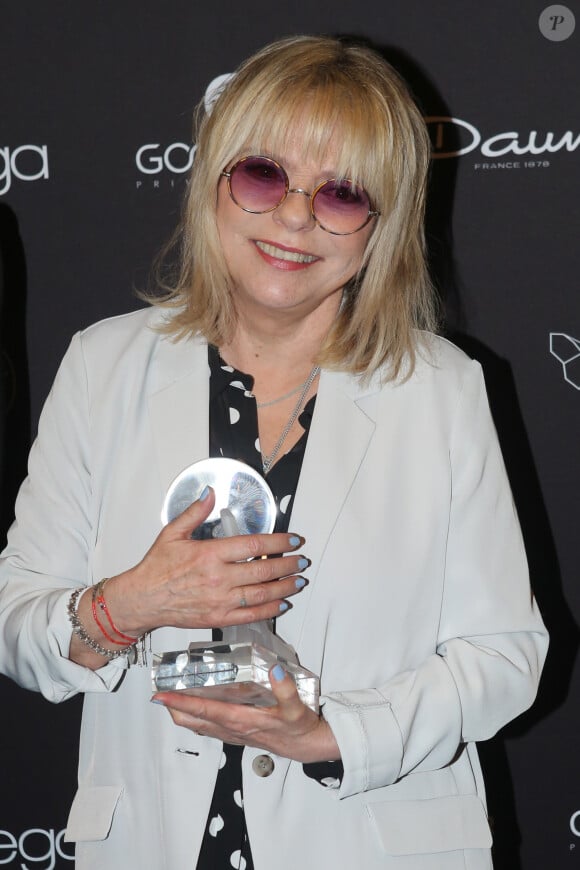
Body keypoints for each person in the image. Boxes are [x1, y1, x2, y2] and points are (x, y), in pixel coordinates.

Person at [0, 35, 547, 870]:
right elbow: (16, 624)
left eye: (342, 194)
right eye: (263, 175)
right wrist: (125, 606)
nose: (295, 217)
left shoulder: (442, 391)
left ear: (381, 226)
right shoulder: (103, 364)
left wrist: (330, 733)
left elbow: (506, 655)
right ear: (213, 182)